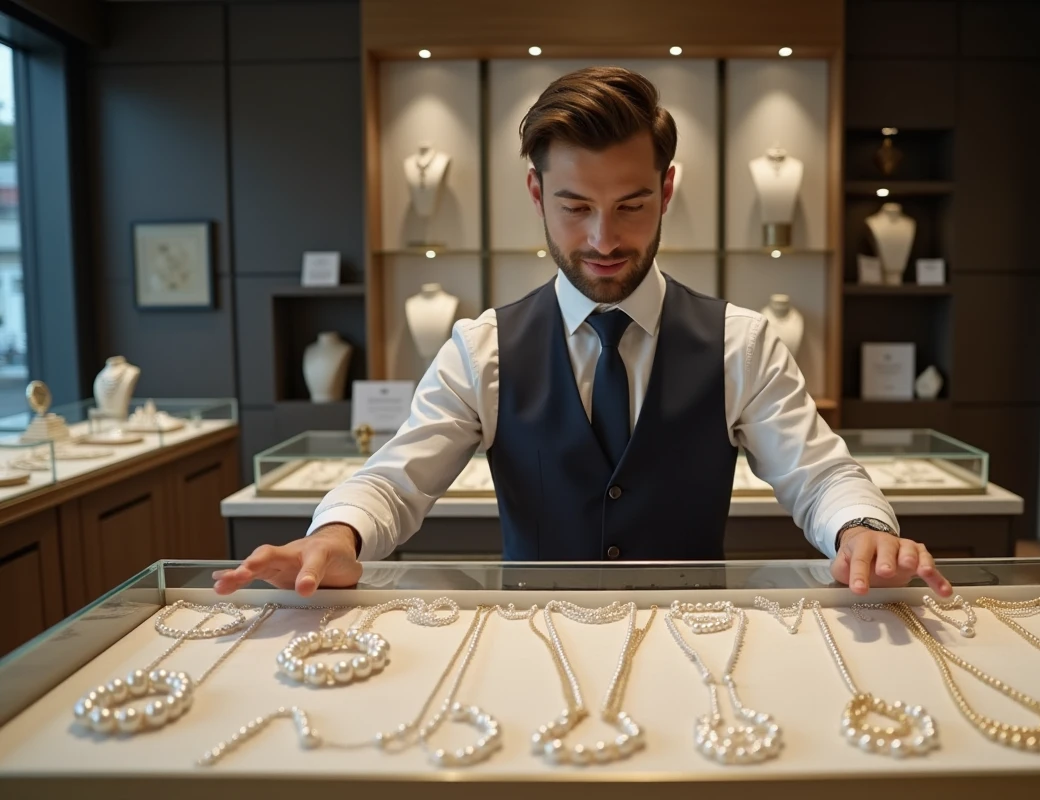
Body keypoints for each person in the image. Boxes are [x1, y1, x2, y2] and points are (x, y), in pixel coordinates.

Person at [214, 66, 952, 600]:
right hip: (529, 647)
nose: (604, 238)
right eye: (575, 206)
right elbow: (394, 481)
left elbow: (818, 473)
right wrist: (334, 536)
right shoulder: (482, 349)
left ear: (666, 189)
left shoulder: (742, 342)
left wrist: (861, 527)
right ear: (536, 192)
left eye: (632, 205)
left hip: (695, 642)